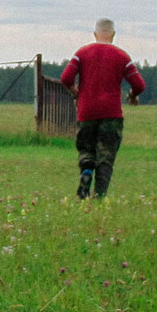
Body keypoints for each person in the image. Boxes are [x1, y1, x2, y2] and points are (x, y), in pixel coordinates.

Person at [60, 18, 146, 199]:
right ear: (113, 35)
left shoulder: (81, 54)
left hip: (86, 112)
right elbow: (139, 85)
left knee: (86, 150)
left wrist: (76, 93)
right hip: (112, 113)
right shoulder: (122, 56)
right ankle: (99, 196)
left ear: (95, 34)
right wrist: (131, 96)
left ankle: (86, 171)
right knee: (106, 156)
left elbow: (66, 78)